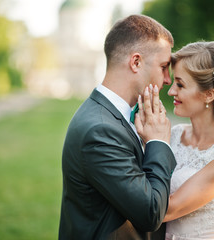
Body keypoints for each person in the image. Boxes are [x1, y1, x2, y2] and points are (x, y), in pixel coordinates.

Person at [58, 14, 177, 239]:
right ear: (136, 62)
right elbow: (150, 213)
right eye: (163, 67)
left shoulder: (111, 117)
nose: (167, 79)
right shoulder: (100, 130)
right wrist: (158, 142)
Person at [135, 41, 214, 240]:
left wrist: (155, 142)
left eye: (181, 85)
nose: (171, 91)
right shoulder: (175, 134)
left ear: (209, 94)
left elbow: (167, 210)